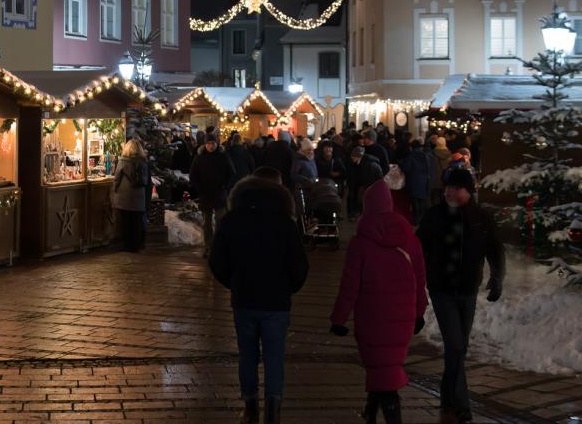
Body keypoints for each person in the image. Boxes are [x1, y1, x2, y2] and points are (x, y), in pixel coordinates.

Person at [209, 169, 309, 424]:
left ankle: (250, 406)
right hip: (277, 302)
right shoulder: (285, 223)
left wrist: (234, 283)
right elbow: (299, 266)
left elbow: (217, 261)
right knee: (275, 357)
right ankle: (273, 412)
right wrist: (288, 288)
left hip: (245, 299)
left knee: (248, 355)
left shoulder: (232, 220)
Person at [330, 179, 427, 424]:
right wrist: (419, 312)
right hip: (402, 319)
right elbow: (420, 277)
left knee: (382, 369)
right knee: (386, 366)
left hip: (371, 318)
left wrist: (339, 319)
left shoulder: (361, 242)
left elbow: (349, 285)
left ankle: (391, 416)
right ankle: (370, 412)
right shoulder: (408, 237)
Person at [416, 168, 505, 424]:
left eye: (456, 188)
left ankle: (447, 396)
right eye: (448, 188)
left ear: (468, 191)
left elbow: (495, 248)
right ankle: (462, 406)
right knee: (455, 346)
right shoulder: (435, 215)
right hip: (442, 290)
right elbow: (418, 246)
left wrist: (497, 276)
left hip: (468, 290)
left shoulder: (480, 217)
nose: (450, 192)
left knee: (458, 349)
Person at [190, 135, 235, 256]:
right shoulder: (199, 158)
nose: (211, 146)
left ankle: (219, 245)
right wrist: (199, 188)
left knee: (220, 219)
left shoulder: (223, 157)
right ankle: (208, 245)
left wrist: (225, 186)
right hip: (205, 193)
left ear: (217, 144)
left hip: (219, 193)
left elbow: (231, 173)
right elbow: (193, 175)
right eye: (208, 143)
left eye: (213, 143)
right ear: (205, 144)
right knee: (207, 222)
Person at [113, 138, 149, 252]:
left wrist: (114, 190)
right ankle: (136, 245)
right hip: (139, 197)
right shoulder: (144, 162)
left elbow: (117, 178)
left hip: (125, 196)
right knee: (136, 221)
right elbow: (146, 180)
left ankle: (127, 245)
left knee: (126, 222)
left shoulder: (123, 161)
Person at [347, 146, 384, 218]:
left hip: (369, 186)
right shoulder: (359, 163)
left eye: (353, 156)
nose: (352, 158)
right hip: (363, 186)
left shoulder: (369, 164)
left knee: (365, 201)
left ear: (358, 156)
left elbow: (371, 178)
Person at [401, 139, 432, 225]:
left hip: (413, 180)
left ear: (412, 147)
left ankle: (416, 220)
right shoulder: (425, 156)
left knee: (415, 201)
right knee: (421, 200)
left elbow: (406, 168)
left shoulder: (410, 156)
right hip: (423, 180)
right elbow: (429, 168)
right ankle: (422, 219)